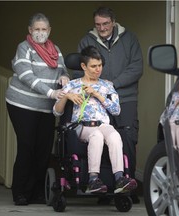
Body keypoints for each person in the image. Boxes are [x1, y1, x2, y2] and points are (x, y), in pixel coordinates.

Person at [73, 6, 143, 203]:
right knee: (99, 137)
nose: (102, 28)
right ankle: (104, 187)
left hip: (125, 97)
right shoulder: (87, 40)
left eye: (105, 24)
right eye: (98, 24)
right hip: (96, 100)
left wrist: (113, 84)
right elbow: (80, 70)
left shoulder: (130, 39)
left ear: (113, 22)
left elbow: (137, 67)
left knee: (127, 138)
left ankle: (126, 188)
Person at [53, 45, 137, 194]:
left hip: (103, 125)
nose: (98, 69)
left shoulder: (107, 86)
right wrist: (66, 96)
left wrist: (98, 95)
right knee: (96, 135)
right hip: (82, 126)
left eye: (100, 66)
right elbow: (56, 112)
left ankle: (119, 179)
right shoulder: (72, 85)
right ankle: (93, 180)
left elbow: (116, 110)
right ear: (84, 66)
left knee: (115, 135)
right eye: (93, 66)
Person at [5, 13, 69, 206]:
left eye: (44, 29)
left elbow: (62, 68)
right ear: (30, 30)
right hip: (22, 105)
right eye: (37, 29)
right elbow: (26, 75)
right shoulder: (24, 48)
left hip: (46, 109)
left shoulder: (55, 50)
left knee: (43, 150)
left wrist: (64, 77)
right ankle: (20, 192)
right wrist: (51, 92)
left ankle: (37, 192)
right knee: (27, 147)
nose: (40, 33)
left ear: (49, 31)